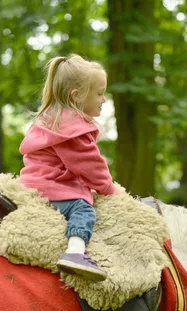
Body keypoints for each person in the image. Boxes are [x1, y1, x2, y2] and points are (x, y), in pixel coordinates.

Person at [19, 54, 118, 282]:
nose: (104, 99)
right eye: (100, 93)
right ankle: (75, 252)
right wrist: (110, 190)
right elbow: (92, 166)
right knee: (84, 210)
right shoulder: (73, 129)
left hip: (33, 185)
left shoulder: (50, 120)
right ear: (77, 95)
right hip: (55, 189)